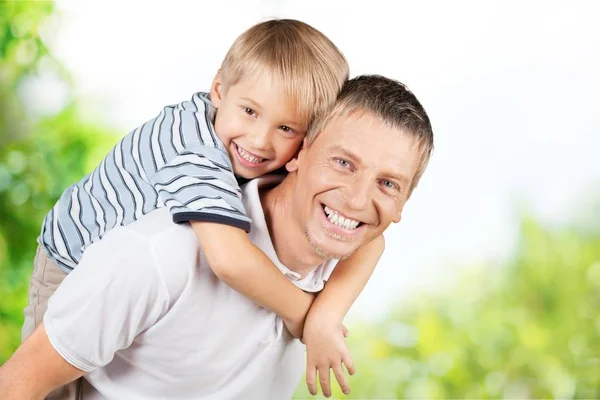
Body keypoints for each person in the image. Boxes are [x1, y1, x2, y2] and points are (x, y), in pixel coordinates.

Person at [0, 74, 434, 399]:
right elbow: (17, 385)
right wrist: (309, 317)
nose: (358, 199)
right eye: (343, 163)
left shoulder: (339, 266)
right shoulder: (160, 255)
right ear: (300, 153)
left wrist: (321, 320)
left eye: (388, 184)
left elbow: (373, 243)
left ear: (403, 206)